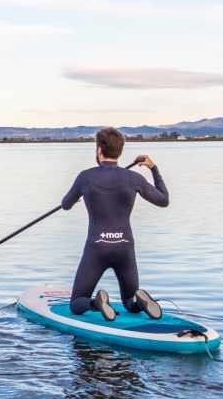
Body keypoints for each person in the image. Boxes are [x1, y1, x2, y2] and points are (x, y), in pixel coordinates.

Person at [61, 127, 168, 321]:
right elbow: (163, 200)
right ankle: (139, 302)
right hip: (124, 247)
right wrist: (153, 168)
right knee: (128, 300)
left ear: (99, 150)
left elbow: (65, 205)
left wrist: (78, 196)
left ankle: (96, 303)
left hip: (97, 247)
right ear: (120, 151)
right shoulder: (133, 177)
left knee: (77, 303)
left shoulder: (86, 177)